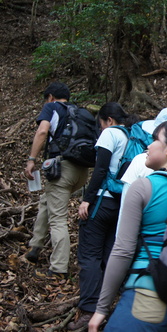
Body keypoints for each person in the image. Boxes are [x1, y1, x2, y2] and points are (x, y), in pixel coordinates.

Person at [88, 121, 167, 332]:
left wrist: (101, 309)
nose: (148, 146)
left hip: (148, 298)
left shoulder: (144, 186)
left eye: (154, 140)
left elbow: (123, 250)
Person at [68, 102, 140, 331]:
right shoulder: (132, 136)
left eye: (100, 123)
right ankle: (113, 305)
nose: (100, 128)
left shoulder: (110, 134)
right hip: (122, 201)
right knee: (110, 253)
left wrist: (87, 199)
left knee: (89, 256)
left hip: (102, 199)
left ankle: (89, 309)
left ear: (108, 120)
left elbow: (100, 169)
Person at [24, 82, 89, 279]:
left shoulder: (52, 107)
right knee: (47, 200)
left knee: (58, 218)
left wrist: (31, 160)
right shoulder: (81, 113)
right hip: (82, 170)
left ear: (51, 97)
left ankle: (58, 268)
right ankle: (35, 247)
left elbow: (42, 132)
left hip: (62, 169)